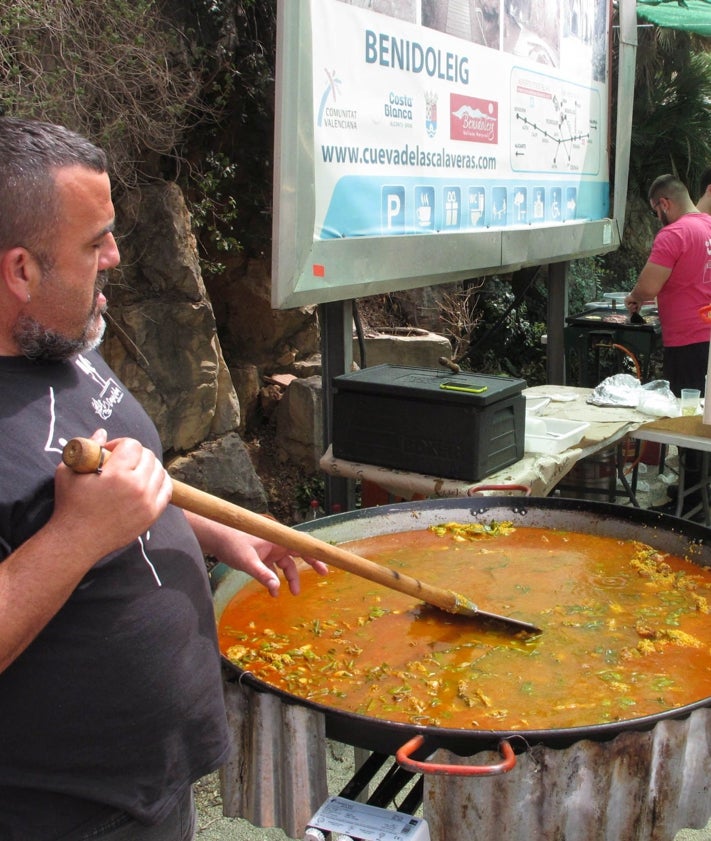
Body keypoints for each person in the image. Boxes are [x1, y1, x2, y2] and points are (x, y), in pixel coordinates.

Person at [0, 117, 328, 841]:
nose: (115, 256)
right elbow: (84, 523)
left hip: (151, 790)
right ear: (21, 270)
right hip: (60, 816)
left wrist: (216, 533)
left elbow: (128, 488)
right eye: (94, 243)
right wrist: (75, 535)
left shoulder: (61, 341)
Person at [625, 173, 711, 512]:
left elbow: (648, 288)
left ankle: (692, 501)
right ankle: (696, 489)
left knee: (687, 418)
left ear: (663, 203)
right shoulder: (707, 226)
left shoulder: (673, 233)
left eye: (654, 210)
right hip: (707, 336)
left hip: (687, 340)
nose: (656, 217)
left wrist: (634, 299)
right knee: (705, 416)